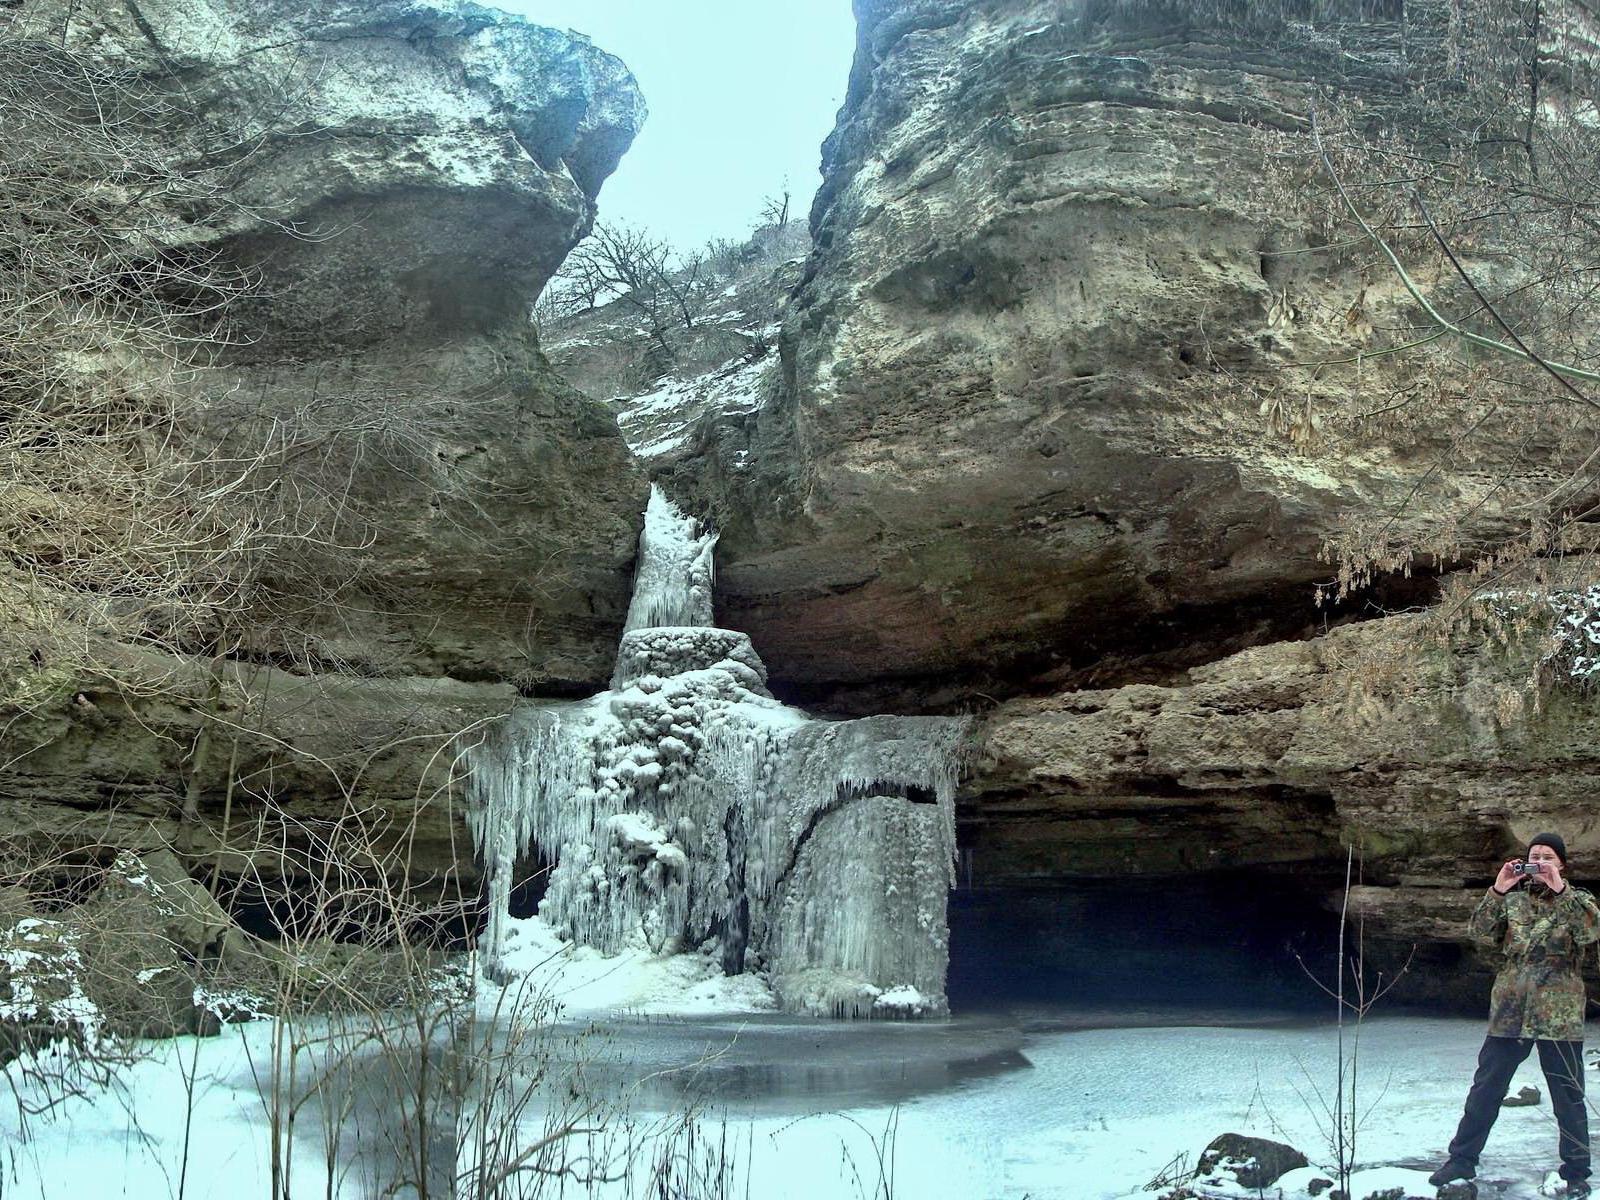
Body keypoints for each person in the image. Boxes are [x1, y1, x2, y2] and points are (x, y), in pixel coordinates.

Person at [1430, 833, 1600, 1197]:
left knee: (1568, 1096)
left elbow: (1590, 931)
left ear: (1561, 864)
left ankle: (1576, 1170)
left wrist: (1560, 890)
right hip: (1510, 1012)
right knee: (1485, 1090)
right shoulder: (1514, 902)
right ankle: (1461, 1159)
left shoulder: (1579, 900)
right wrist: (1498, 889)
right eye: (1533, 855)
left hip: (1559, 1015)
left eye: (1547, 856)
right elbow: (1477, 931)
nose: (1538, 861)